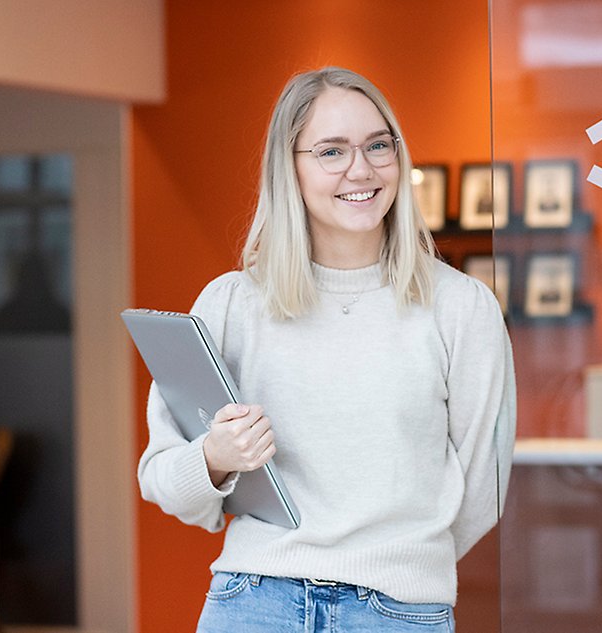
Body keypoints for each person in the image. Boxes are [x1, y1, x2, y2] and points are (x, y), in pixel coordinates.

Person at [137, 67, 516, 632]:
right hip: (253, 603)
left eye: (377, 145)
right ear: (289, 169)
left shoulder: (462, 308)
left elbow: (482, 492)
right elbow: (163, 479)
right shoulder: (231, 304)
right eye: (331, 151)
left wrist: (400, 565)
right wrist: (216, 457)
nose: (360, 169)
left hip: (399, 614)